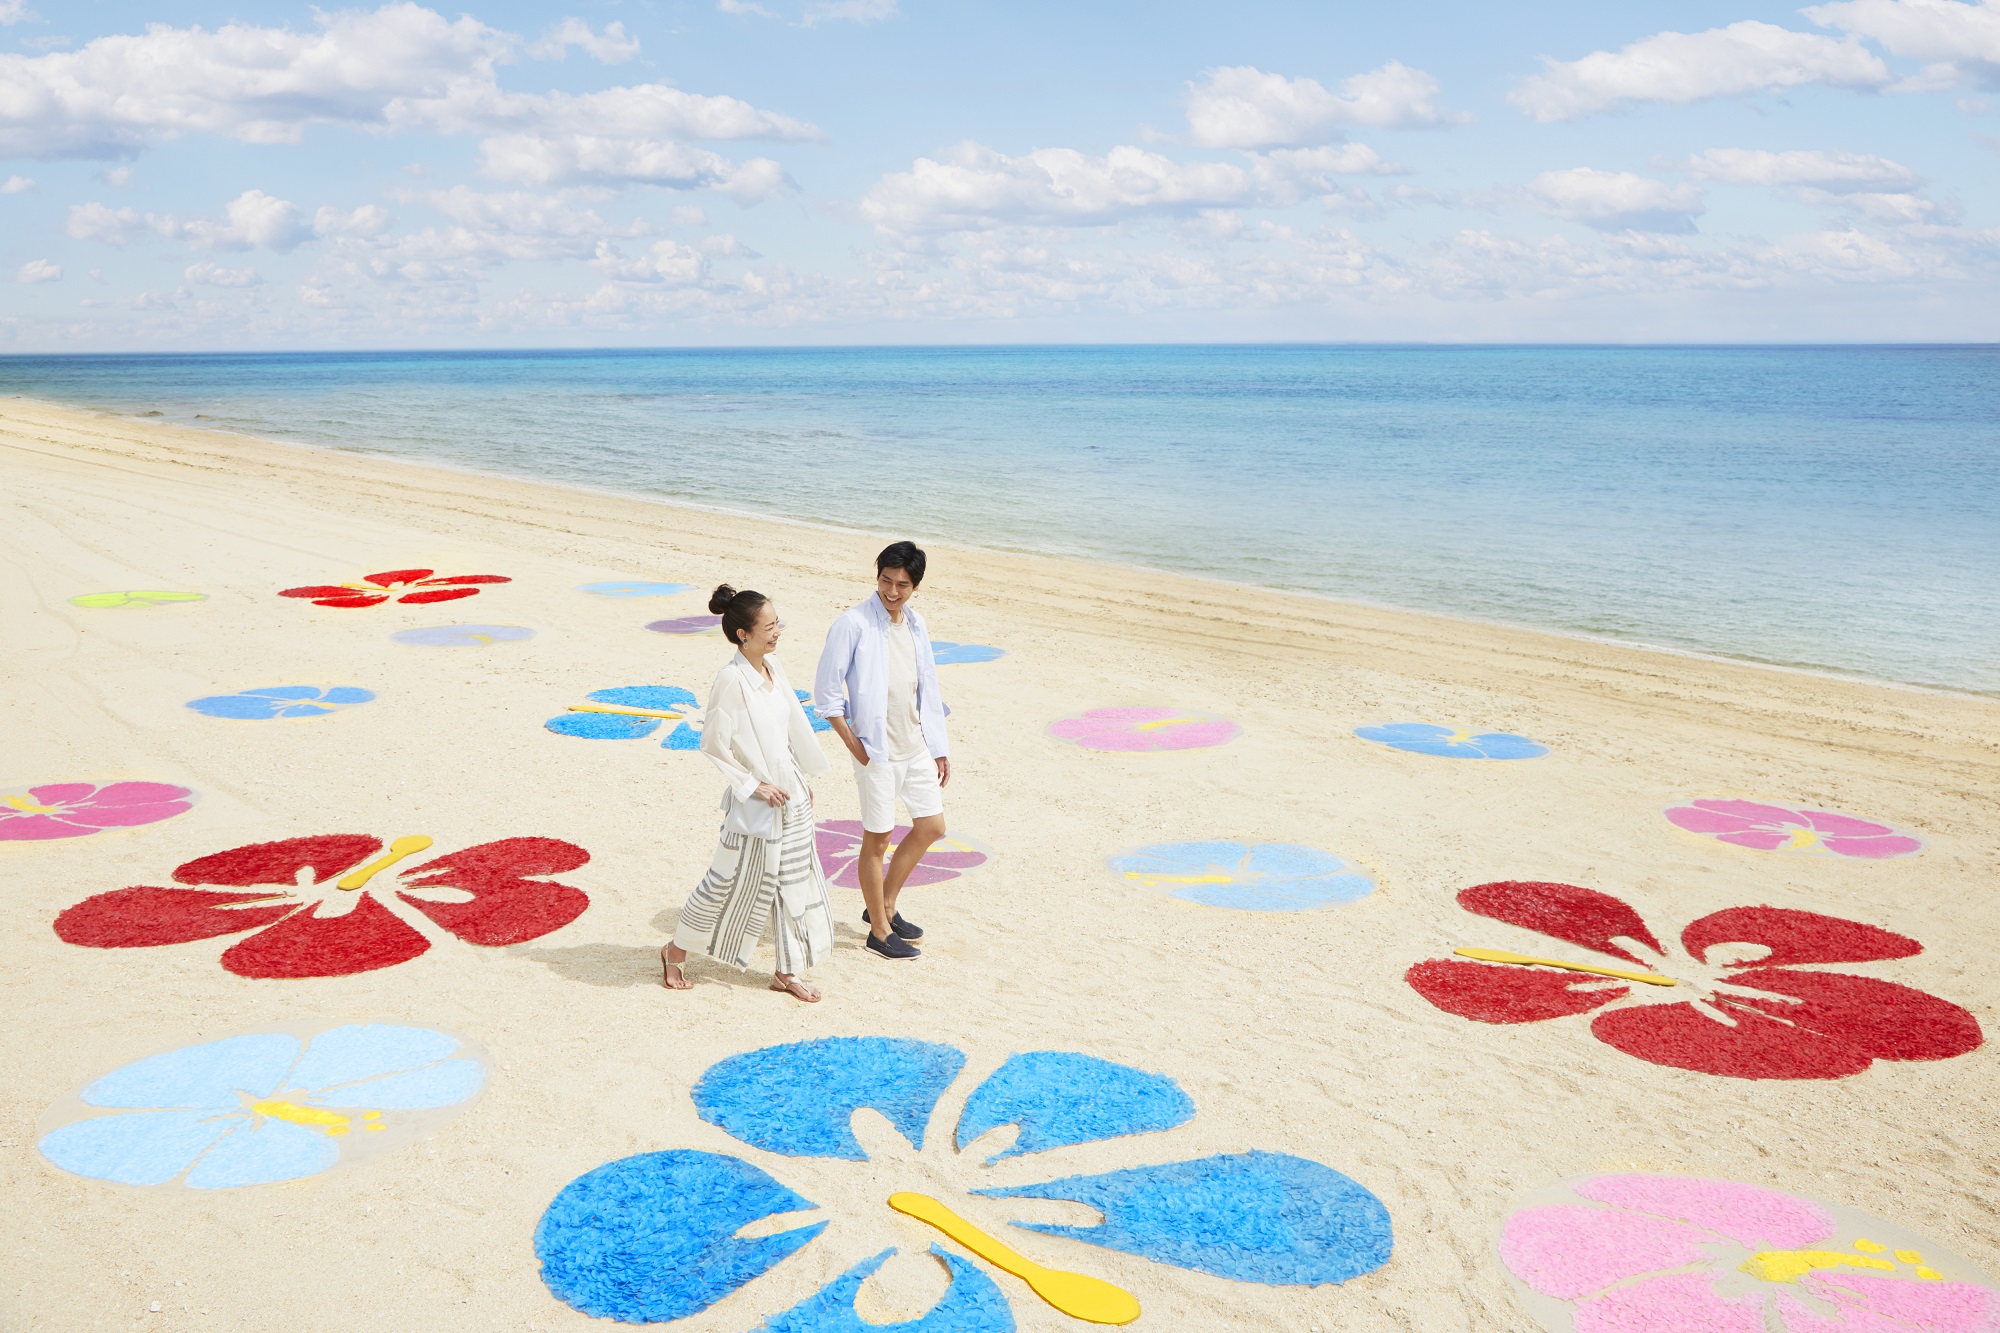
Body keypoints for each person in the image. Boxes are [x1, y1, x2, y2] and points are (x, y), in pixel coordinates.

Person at [662, 585, 836, 1002]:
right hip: (757, 800)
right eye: (769, 626)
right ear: (743, 634)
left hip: (789, 792)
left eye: (778, 623)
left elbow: (788, 731)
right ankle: (674, 950)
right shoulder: (731, 679)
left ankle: (786, 970)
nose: (777, 632)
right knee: (726, 879)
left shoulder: (773, 668)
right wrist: (752, 784)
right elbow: (713, 744)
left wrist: (800, 778)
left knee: (796, 879)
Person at [813, 540, 951, 961]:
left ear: (916, 586)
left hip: (915, 746)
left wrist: (938, 747)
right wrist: (855, 746)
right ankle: (878, 931)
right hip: (876, 752)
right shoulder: (852, 624)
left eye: (902, 585)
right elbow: (826, 693)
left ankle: (885, 906)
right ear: (877, 577)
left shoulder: (916, 624)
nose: (892, 591)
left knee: (932, 827)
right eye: (886, 581)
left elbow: (927, 687)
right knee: (877, 840)